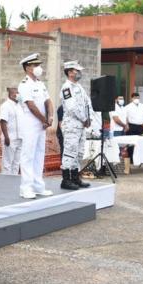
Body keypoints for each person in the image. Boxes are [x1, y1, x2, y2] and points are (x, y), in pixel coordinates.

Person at [17, 53, 54, 200]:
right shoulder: (24, 84)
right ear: (28, 68)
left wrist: (50, 117)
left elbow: (48, 101)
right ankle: (25, 188)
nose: (39, 68)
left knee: (39, 154)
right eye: (35, 65)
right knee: (28, 155)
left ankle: (38, 186)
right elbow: (31, 105)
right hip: (30, 123)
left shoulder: (40, 83)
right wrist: (44, 119)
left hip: (41, 124)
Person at [59, 60, 92, 191]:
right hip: (72, 125)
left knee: (79, 153)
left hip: (81, 125)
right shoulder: (66, 88)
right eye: (76, 70)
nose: (79, 72)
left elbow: (86, 105)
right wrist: (84, 118)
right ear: (69, 72)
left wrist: (88, 119)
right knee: (69, 152)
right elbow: (72, 107)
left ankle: (75, 178)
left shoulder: (79, 87)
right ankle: (66, 180)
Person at [0, 87, 22, 175]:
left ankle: (14, 182)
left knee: (16, 163)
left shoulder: (20, 106)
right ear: (11, 95)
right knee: (7, 163)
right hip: (10, 138)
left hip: (20, 138)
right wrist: (6, 137)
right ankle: (6, 184)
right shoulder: (5, 106)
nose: (17, 95)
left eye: (18, 93)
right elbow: (3, 121)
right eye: (15, 94)